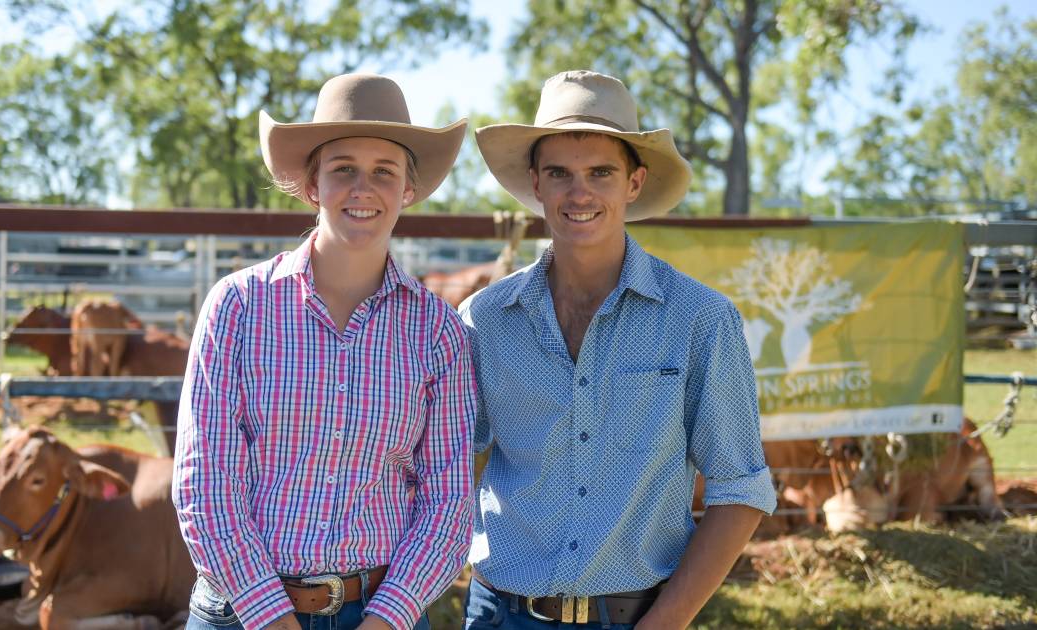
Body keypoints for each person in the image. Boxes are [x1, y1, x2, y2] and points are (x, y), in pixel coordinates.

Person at [459, 70, 776, 630]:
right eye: (559, 173)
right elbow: (447, 468)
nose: (579, 193)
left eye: (600, 173)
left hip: (637, 616)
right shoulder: (484, 321)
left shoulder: (699, 320)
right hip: (499, 614)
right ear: (536, 184)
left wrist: (667, 621)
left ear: (634, 183)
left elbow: (741, 489)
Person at [173, 73, 476, 630]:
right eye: (343, 170)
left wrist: (386, 619)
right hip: (242, 611)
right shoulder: (238, 307)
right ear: (313, 185)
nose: (363, 188)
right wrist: (273, 617)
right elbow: (205, 486)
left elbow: (448, 505)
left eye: (384, 172)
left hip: (380, 611)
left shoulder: (438, 332)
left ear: (408, 189)